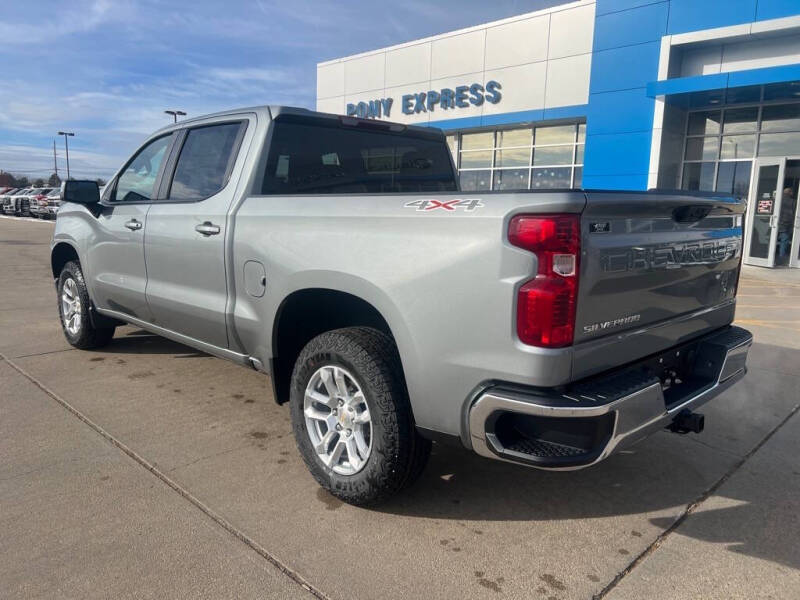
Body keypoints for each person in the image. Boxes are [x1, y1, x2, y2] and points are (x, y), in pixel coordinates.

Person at [777, 186, 796, 262]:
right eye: (791, 192)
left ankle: (770, 256)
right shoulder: (793, 202)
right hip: (786, 223)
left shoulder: (779, 200)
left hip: (778, 223)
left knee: (774, 239)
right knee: (784, 241)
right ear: (790, 193)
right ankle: (781, 258)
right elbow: (795, 213)